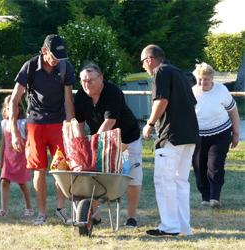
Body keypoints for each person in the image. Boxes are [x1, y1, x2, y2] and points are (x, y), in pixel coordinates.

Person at [9, 34, 75, 226]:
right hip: (35, 124)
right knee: (40, 169)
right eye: (54, 56)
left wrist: (70, 129)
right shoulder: (29, 67)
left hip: (59, 124)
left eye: (60, 57)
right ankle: (41, 213)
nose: (57, 61)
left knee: (61, 169)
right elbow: (14, 100)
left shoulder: (64, 67)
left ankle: (61, 210)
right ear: (44, 51)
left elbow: (69, 101)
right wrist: (14, 132)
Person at [74, 63, 142, 228]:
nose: (87, 85)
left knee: (131, 175)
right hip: (101, 139)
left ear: (101, 78)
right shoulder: (81, 95)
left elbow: (110, 121)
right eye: (84, 81)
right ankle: (96, 217)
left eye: (91, 80)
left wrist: (94, 143)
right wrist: (81, 145)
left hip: (127, 138)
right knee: (96, 176)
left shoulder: (113, 91)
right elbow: (79, 123)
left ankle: (131, 218)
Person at [141, 45, 200, 236]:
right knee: (181, 182)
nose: (144, 67)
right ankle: (184, 227)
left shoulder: (161, 71)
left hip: (171, 135)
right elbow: (193, 102)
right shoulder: (180, 73)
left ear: (149, 59)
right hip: (189, 136)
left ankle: (169, 226)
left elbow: (161, 101)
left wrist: (150, 124)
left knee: (163, 180)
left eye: (143, 63)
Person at [192, 62, 240, 209]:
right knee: (199, 166)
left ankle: (214, 197)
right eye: (199, 79)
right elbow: (186, 115)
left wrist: (236, 133)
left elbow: (233, 111)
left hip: (221, 132)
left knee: (215, 165)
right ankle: (205, 196)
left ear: (212, 78)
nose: (202, 82)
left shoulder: (221, 89)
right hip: (199, 135)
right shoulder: (192, 91)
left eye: (205, 78)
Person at [0, 95, 33, 217]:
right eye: (7, 108)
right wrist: (1, 158)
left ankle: (29, 208)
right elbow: (3, 141)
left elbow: (30, 141)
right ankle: (4, 210)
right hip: (8, 159)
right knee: (4, 182)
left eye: (13, 107)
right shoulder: (4, 124)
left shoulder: (24, 123)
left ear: (20, 109)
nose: (9, 110)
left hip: (21, 159)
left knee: (22, 184)